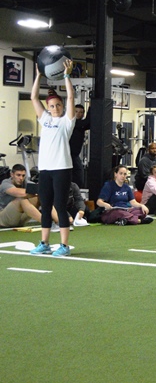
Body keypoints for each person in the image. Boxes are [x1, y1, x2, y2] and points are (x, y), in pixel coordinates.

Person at [29, 60, 76, 257]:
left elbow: (72, 96)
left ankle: (64, 246)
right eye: (52, 105)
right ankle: (44, 243)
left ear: (62, 106)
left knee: (59, 206)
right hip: (46, 170)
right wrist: (39, 75)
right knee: (45, 207)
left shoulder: (67, 122)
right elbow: (33, 97)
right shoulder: (45, 119)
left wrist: (66, 75)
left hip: (62, 169)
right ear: (47, 107)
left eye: (58, 105)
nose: (55, 108)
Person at [69, 104, 90, 188]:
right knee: (78, 173)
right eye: (76, 111)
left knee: (77, 174)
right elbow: (87, 122)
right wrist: (91, 107)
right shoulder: (72, 122)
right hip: (69, 154)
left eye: (81, 112)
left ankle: (75, 190)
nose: (78, 114)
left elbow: (89, 122)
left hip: (75, 154)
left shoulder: (81, 125)